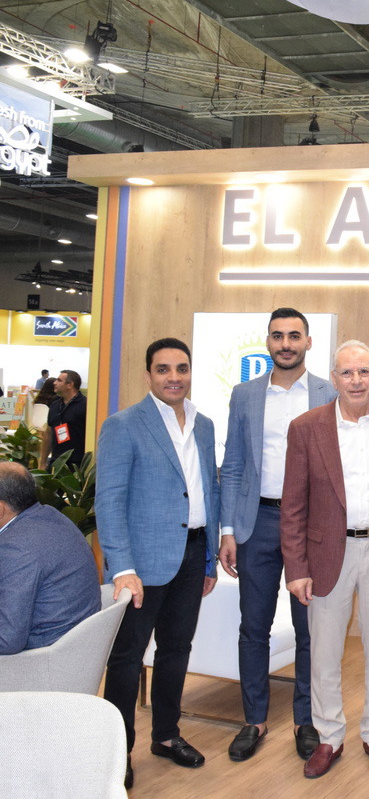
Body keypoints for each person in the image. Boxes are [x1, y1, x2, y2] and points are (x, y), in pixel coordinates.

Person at [97, 338, 220, 790]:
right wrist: (121, 567)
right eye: (164, 369)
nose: (174, 377)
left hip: (192, 553)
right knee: (127, 658)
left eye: (181, 368)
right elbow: (109, 500)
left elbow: (209, 490)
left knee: (176, 649)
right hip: (141, 564)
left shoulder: (204, 425)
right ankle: (117, 752)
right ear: (148, 374)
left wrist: (209, 557)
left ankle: (166, 735)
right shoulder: (123, 425)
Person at [280, 340, 369, 779]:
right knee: (324, 651)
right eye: (347, 373)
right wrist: (296, 568)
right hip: (326, 553)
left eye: (364, 372)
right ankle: (329, 736)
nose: (356, 381)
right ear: (334, 378)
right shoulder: (306, 428)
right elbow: (292, 505)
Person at [219, 308, 336, 762]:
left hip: (311, 526)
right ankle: (255, 719)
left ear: (308, 342)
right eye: (277, 336)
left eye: (294, 336)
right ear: (267, 342)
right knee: (254, 626)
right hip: (258, 523)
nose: (285, 344)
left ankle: (306, 721)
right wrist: (228, 530)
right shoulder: (245, 394)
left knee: (311, 629)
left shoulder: (329, 394)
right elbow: (232, 465)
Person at [0, 462, 100, 654]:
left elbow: (7, 640)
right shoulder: (50, 516)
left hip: (41, 657)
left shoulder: (17, 548)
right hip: (69, 642)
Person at [47, 369, 87, 467]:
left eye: (59, 380)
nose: (54, 383)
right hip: (56, 461)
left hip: (76, 463)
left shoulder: (85, 405)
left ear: (70, 385)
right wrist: (43, 461)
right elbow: (48, 433)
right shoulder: (55, 405)